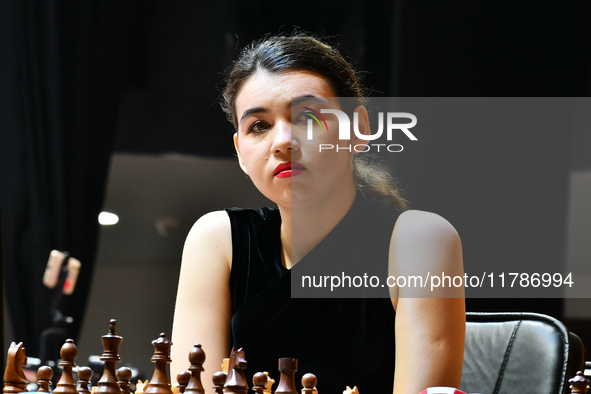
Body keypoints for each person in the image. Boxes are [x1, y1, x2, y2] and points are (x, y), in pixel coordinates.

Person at [171, 33, 465, 394]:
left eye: (307, 116)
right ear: (240, 153)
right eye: (258, 126)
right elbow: (192, 385)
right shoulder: (217, 240)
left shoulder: (419, 240)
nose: (282, 142)